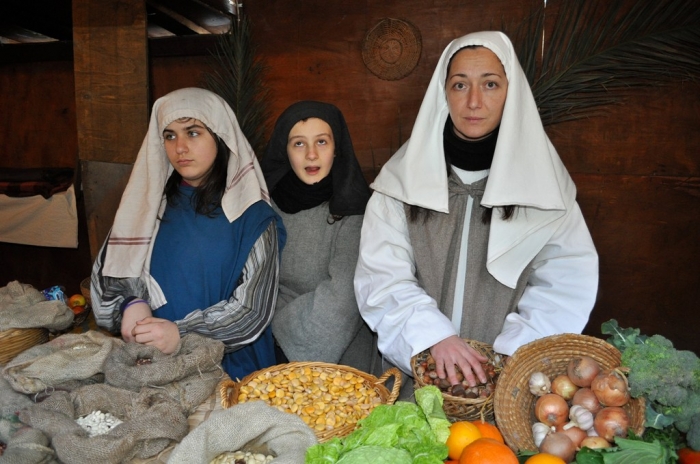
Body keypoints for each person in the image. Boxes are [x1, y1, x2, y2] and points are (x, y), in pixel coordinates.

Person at [354, 31, 599, 390]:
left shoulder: (545, 188)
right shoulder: (400, 185)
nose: (473, 102)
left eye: (490, 84)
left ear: (510, 93)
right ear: (443, 93)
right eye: (459, 85)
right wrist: (433, 339)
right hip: (417, 376)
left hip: (506, 383)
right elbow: (382, 278)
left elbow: (564, 283)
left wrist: (511, 354)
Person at [90, 87, 286, 381]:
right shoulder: (147, 207)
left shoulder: (255, 217)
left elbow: (252, 311)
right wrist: (130, 302)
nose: (179, 147)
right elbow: (112, 272)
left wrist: (180, 333)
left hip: (231, 373)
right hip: (151, 368)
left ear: (221, 137)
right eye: (169, 135)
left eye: (192, 132)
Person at [260, 101, 377, 373]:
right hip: (266, 346)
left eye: (322, 142)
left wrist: (278, 326)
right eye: (299, 144)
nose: (311, 155)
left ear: (336, 149)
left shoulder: (355, 210)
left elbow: (343, 297)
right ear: (285, 151)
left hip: (340, 354)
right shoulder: (265, 205)